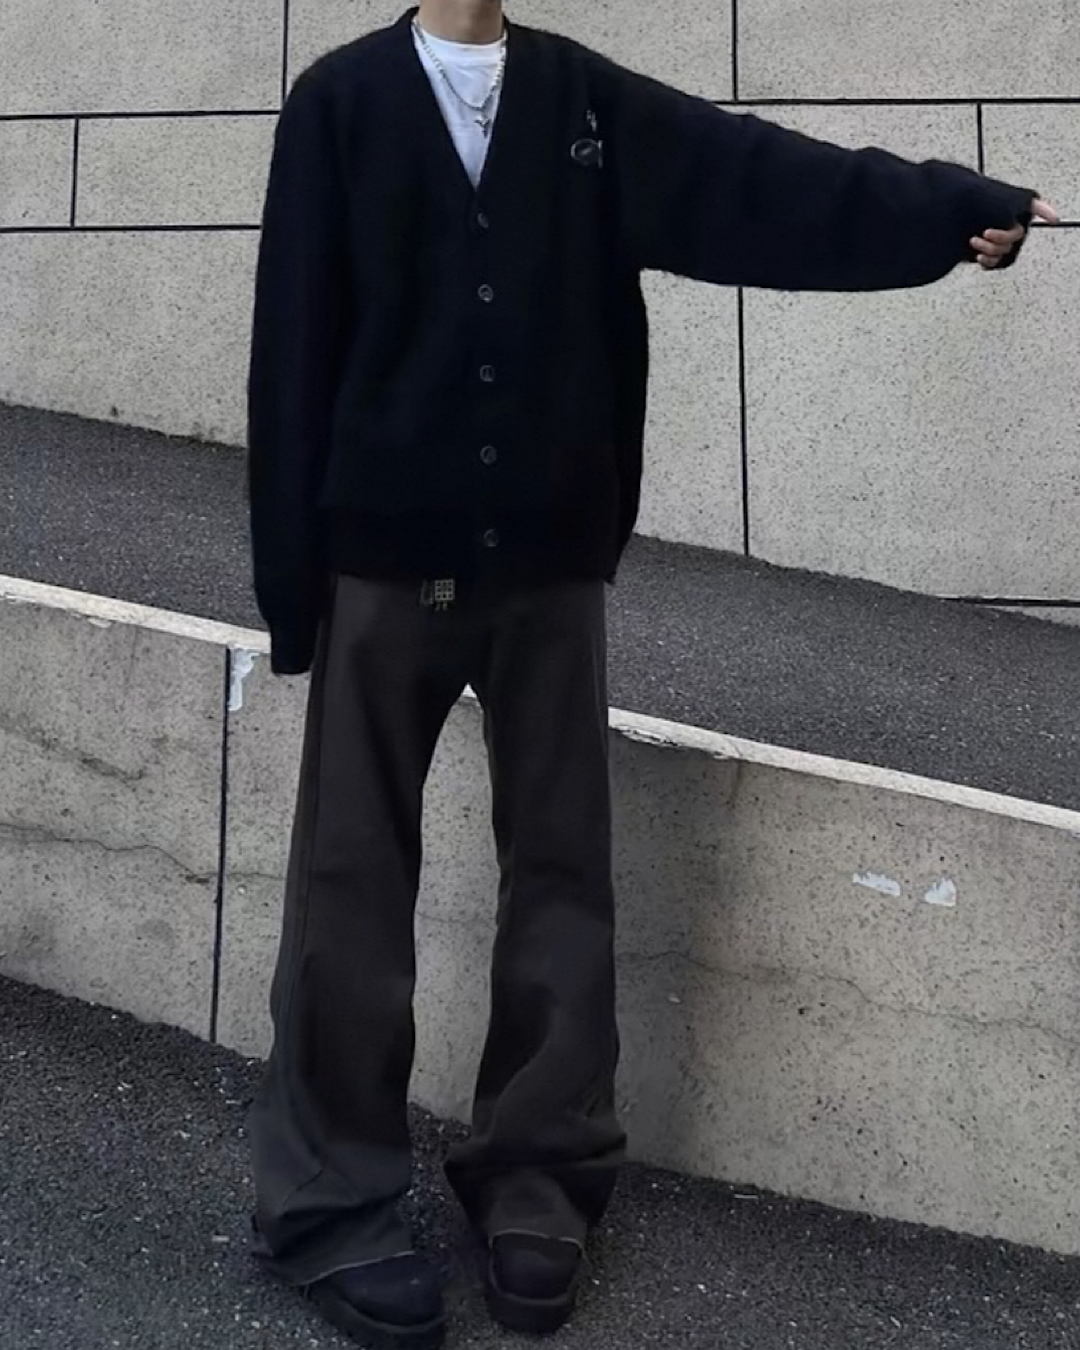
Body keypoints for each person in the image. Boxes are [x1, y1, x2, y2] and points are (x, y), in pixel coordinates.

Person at [245, 1, 1056, 1344]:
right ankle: (330, 1199)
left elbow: (759, 184)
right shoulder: (339, 102)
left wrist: (943, 211)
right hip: (381, 565)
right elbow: (291, 344)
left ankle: (540, 1170)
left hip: (549, 566)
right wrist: (292, 591)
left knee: (563, 871)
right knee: (349, 881)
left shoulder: (582, 102)